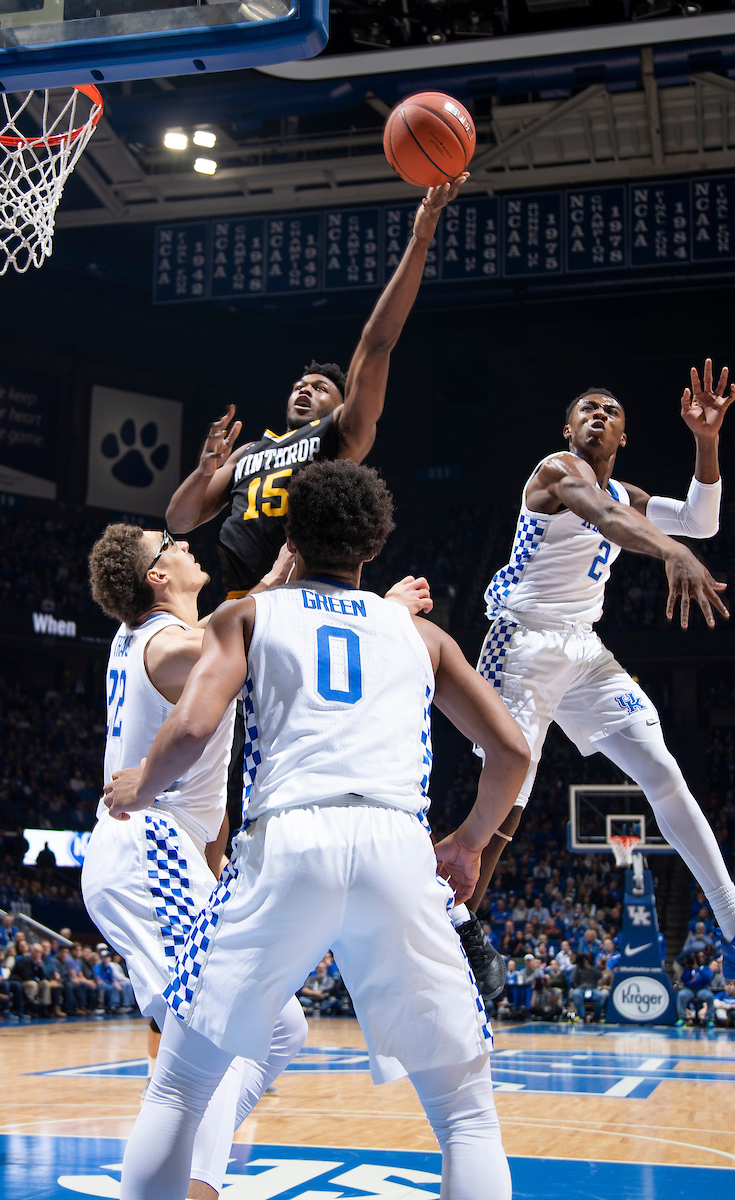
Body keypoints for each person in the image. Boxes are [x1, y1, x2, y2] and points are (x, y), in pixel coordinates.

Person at [104, 459, 530, 1200]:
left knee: (178, 1090)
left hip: (288, 842)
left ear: (290, 538)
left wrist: (143, 782)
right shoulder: (419, 635)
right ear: (372, 548)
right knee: (466, 1115)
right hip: (398, 845)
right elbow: (513, 752)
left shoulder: (248, 616)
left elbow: (194, 727)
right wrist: (467, 841)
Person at [470, 360, 735, 983]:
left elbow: (702, 522)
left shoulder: (629, 494)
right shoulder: (559, 471)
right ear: (567, 428)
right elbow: (604, 518)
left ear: (625, 436)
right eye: (587, 409)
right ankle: (455, 933)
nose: (598, 415)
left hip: (583, 651)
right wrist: (673, 551)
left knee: (662, 769)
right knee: (506, 806)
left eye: (611, 411)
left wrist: (707, 443)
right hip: (523, 644)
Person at [83, 522, 310, 1200]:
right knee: (211, 1036)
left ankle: (191, 1174)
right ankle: (196, 1188)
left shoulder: (155, 638)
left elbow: (226, 629)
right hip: (147, 845)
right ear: (157, 577)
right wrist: (373, 613)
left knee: (279, 1029)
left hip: (164, 853)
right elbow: (238, 647)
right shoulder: (167, 646)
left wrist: (282, 571)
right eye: (169, 546)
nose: (184, 545)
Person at [165, 180, 467, 599]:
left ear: (343, 404)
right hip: (243, 597)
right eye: (299, 386)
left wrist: (421, 235)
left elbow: (377, 341)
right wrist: (203, 473)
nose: (304, 392)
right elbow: (179, 522)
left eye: (320, 388)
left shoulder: (338, 434)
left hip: (301, 594)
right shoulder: (247, 452)